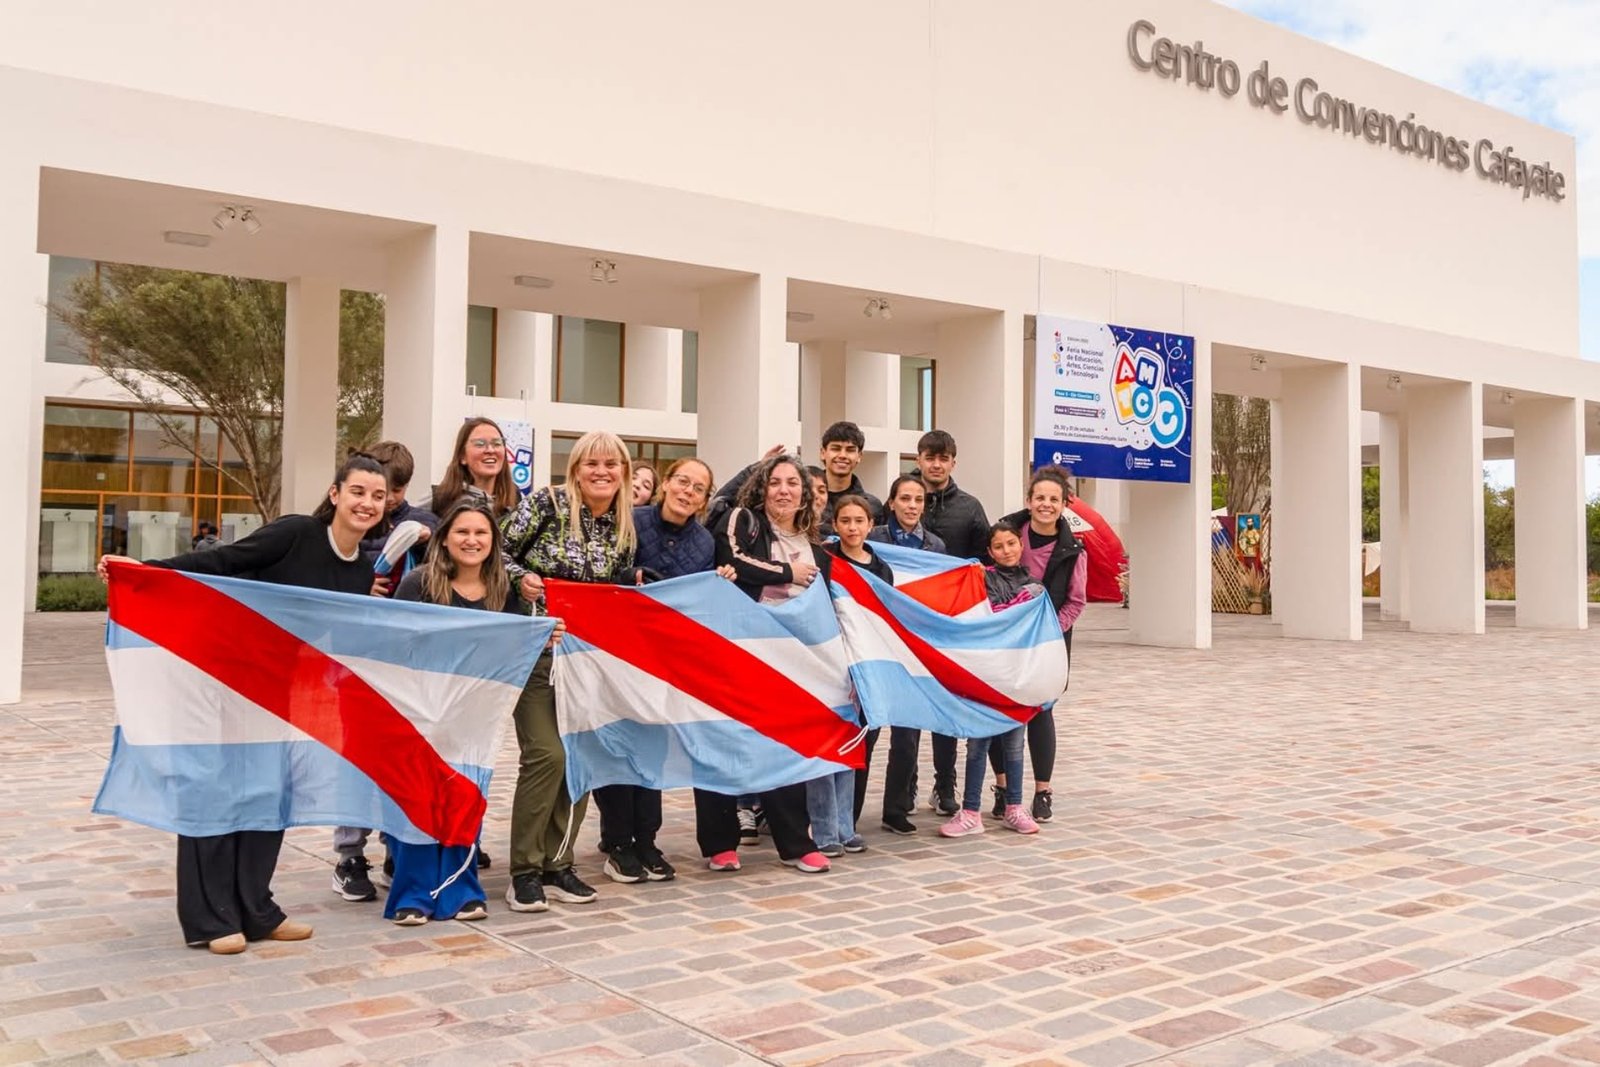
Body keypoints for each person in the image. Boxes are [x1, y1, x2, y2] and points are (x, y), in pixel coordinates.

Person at [95, 454, 391, 954]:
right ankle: (210, 920)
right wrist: (144, 572)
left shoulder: (361, 571)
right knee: (214, 791)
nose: (367, 503)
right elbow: (222, 562)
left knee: (269, 795)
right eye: (358, 491)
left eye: (378, 496)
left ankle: (256, 911)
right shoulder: (296, 533)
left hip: (279, 695)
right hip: (222, 677)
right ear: (336, 494)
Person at [500, 430, 637, 912]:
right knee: (546, 755)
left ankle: (557, 864)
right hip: (535, 651)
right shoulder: (547, 505)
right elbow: (493, 549)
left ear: (623, 471)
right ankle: (524, 871)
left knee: (578, 755)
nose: (602, 472)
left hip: (586, 659)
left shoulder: (624, 526)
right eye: (591, 463)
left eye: (611, 464)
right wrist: (521, 578)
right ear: (575, 469)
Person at [388, 497, 538, 924]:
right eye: (462, 532)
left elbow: (514, 646)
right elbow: (394, 641)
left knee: (464, 798)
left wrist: (543, 633)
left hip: (474, 715)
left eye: (480, 533)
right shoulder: (418, 584)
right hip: (422, 710)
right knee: (418, 800)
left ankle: (461, 889)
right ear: (445, 539)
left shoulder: (504, 592)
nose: (472, 540)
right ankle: (413, 893)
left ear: (493, 541)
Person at [597, 457, 744, 877]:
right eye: (682, 481)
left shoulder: (704, 542)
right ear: (666, 484)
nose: (687, 492)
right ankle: (619, 843)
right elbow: (605, 572)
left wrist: (720, 579)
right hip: (619, 655)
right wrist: (630, 575)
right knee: (620, 748)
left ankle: (647, 841)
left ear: (704, 499)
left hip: (665, 662)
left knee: (653, 750)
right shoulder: (630, 521)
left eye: (698, 488)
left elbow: (701, 601)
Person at [714, 452, 835, 874]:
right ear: (762, 488)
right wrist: (787, 572)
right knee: (726, 742)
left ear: (805, 494)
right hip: (742, 652)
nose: (784, 490)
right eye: (776, 482)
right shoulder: (743, 520)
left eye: (793, 483)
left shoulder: (817, 549)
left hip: (793, 663)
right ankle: (719, 842)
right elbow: (731, 560)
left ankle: (796, 843)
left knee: (786, 747)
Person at [340, 440, 445, 898]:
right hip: (357, 656)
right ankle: (349, 853)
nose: (384, 500)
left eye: (394, 491)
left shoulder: (422, 522)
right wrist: (362, 582)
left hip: (407, 660)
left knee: (400, 755)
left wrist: (426, 537)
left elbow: (449, 547)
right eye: (375, 489)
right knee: (358, 756)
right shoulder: (342, 523)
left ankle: (394, 845)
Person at [941, 520, 1044, 838]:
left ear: (1021, 545)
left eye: (1011, 543)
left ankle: (1015, 807)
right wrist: (1020, 603)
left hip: (1017, 677)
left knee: (1014, 745)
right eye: (998, 546)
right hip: (985, 676)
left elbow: (1040, 630)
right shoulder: (981, 579)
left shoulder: (1035, 584)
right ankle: (970, 811)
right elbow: (990, 615)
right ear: (990, 551)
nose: (1006, 550)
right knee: (977, 744)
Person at [997, 466, 1086, 824]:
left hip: (1049, 644)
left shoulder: (1074, 550)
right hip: (1006, 641)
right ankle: (1003, 789)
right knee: (1001, 710)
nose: (1046, 504)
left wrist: (1048, 632)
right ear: (1028, 500)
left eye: (1054, 499)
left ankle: (1042, 791)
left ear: (1063, 505)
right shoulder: (1007, 534)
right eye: (1040, 498)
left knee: (1041, 711)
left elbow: (1076, 602)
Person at [862, 476, 949, 833]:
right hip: (873, 641)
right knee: (866, 730)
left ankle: (896, 809)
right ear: (892, 502)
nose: (912, 506)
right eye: (905, 499)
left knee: (907, 733)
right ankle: (848, 809)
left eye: (918, 500)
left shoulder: (935, 546)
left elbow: (940, 591)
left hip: (913, 645)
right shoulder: (873, 538)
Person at [813, 494, 886, 856]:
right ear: (835, 525)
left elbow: (884, 618)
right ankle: (824, 830)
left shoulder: (881, 569)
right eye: (845, 521)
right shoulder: (825, 561)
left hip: (863, 667)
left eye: (859, 521)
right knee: (824, 748)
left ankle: (845, 827)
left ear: (870, 525)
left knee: (851, 746)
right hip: (827, 661)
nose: (853, 527)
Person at [913, 430, 991, 561]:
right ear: (918, 461)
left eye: (943, 459)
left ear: (953, 464)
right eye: (930, 458)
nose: (936, 465)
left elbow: (983, 560)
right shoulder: (901, 502)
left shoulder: (971, 508)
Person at [432, 418, 519, 517]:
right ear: (462, 456)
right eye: (480, 444)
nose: (490, 450)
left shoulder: (515, 498)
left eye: (497, 444)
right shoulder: (438, 499)